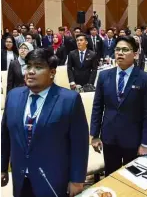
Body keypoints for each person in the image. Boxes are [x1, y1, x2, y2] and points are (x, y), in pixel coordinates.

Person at [1, 48, 89, 197]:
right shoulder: (13, 96)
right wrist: (3, 167)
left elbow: (79, 144)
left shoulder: (69, 100)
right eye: (28, 66)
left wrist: (77, 179)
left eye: (38, 67)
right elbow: (5, 135)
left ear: (52, 72)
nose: (30, 71)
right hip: (20, 176)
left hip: (52, 177)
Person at [91, 36, 147, 176]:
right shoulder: (104, 76)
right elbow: (97, 107)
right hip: (109, 138)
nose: (120, 53)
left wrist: (146, 143)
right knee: (111, 175)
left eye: (125, 50)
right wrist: (95, 135)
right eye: (118, 49)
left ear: (135, 54)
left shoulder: (145, 79)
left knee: (132, 177)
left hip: (133, 139)